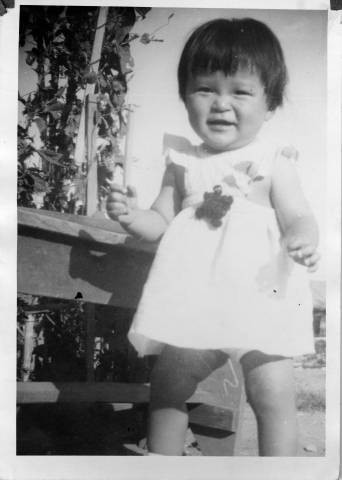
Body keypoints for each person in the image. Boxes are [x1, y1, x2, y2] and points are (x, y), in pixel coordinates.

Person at [106, 17, 320, 456]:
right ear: (185, 96)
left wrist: (302, 237)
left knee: (272, 394)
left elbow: (299, 213)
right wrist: (131, 216)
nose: (221, 104)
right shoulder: (182, 162)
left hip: (259, 297)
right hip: (194, 298)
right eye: (205, 89)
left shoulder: (271, 159)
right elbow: (159, 220)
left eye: (240, 92)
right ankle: (164, 462)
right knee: (168, 386)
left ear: (270, 103)